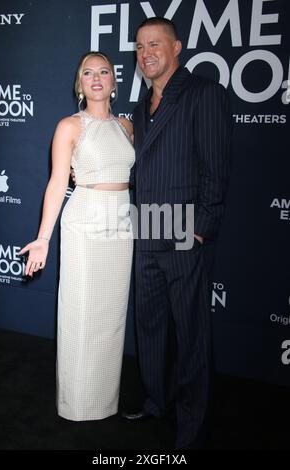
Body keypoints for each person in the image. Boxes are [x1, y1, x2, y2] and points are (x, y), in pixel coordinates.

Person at [122, 18, 231, 449]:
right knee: (149, 327)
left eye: (154, 44)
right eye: (139, 47)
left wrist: (200, 230)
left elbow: (215, 170)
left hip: (184, 231)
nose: (146, 52)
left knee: (190, 334)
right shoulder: (139, 108)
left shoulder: (204, 94)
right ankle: (157, 403)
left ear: (176, 47)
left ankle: (192, 423)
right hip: (147, 228)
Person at [19, 52, 135, 421]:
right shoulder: (70, 126)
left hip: (122, 221)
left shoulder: (128, 126)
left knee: (112, 314)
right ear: (80, 83)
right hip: (85, 219)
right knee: (81, 312)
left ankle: (104, 400)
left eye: (104, 71)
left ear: (115, 82)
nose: (97, 78)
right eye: (88, 73)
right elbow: (56, 183)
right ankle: (77, 404)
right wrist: (43, 238)